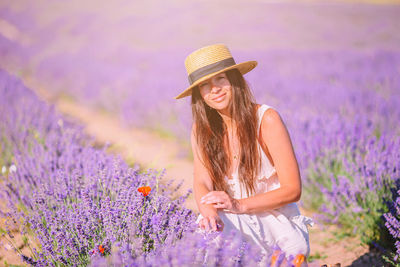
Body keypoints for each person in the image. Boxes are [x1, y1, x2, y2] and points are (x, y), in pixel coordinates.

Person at [175, 44, 314, 265]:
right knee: (206, 237)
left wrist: (237, 204)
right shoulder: (201, 129)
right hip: (232, 218)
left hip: (274, 220)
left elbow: (293, 190)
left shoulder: (266, 120)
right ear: (199, 94)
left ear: (234, 79)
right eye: (205, 85)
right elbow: (201, 180)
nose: (215, 89)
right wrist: (209, 212)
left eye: (220, 78)